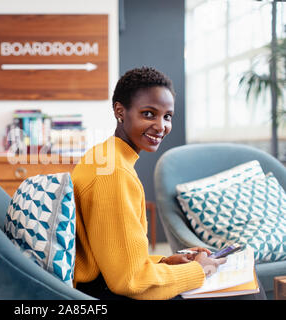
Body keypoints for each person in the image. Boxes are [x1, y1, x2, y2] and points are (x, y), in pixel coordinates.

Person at [72, 66, 266, 300]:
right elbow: (129, 281)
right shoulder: (115, 174)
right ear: (120, 111)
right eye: (148, 114)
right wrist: (198, 269)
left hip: (103, 285)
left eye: (167, 116)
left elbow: (114, 259)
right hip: (104, 295)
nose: (161, 126)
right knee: (245, 292)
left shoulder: (103, 156)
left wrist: (166, 260)